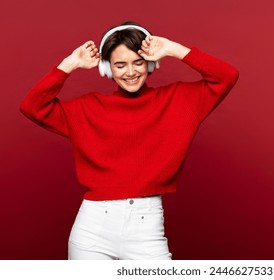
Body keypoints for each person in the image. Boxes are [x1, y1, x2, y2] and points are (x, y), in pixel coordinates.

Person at [20, 21, 239, 260]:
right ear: (107, 68)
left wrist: (173, 48)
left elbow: (227, 76)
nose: (131, 72)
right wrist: (70, 64)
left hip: (147, 228)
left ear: (151, 63)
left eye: (138, 62)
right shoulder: (87, 109)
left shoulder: (180, 101)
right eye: (120, 65)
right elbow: (32, 107)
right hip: (93, 229)